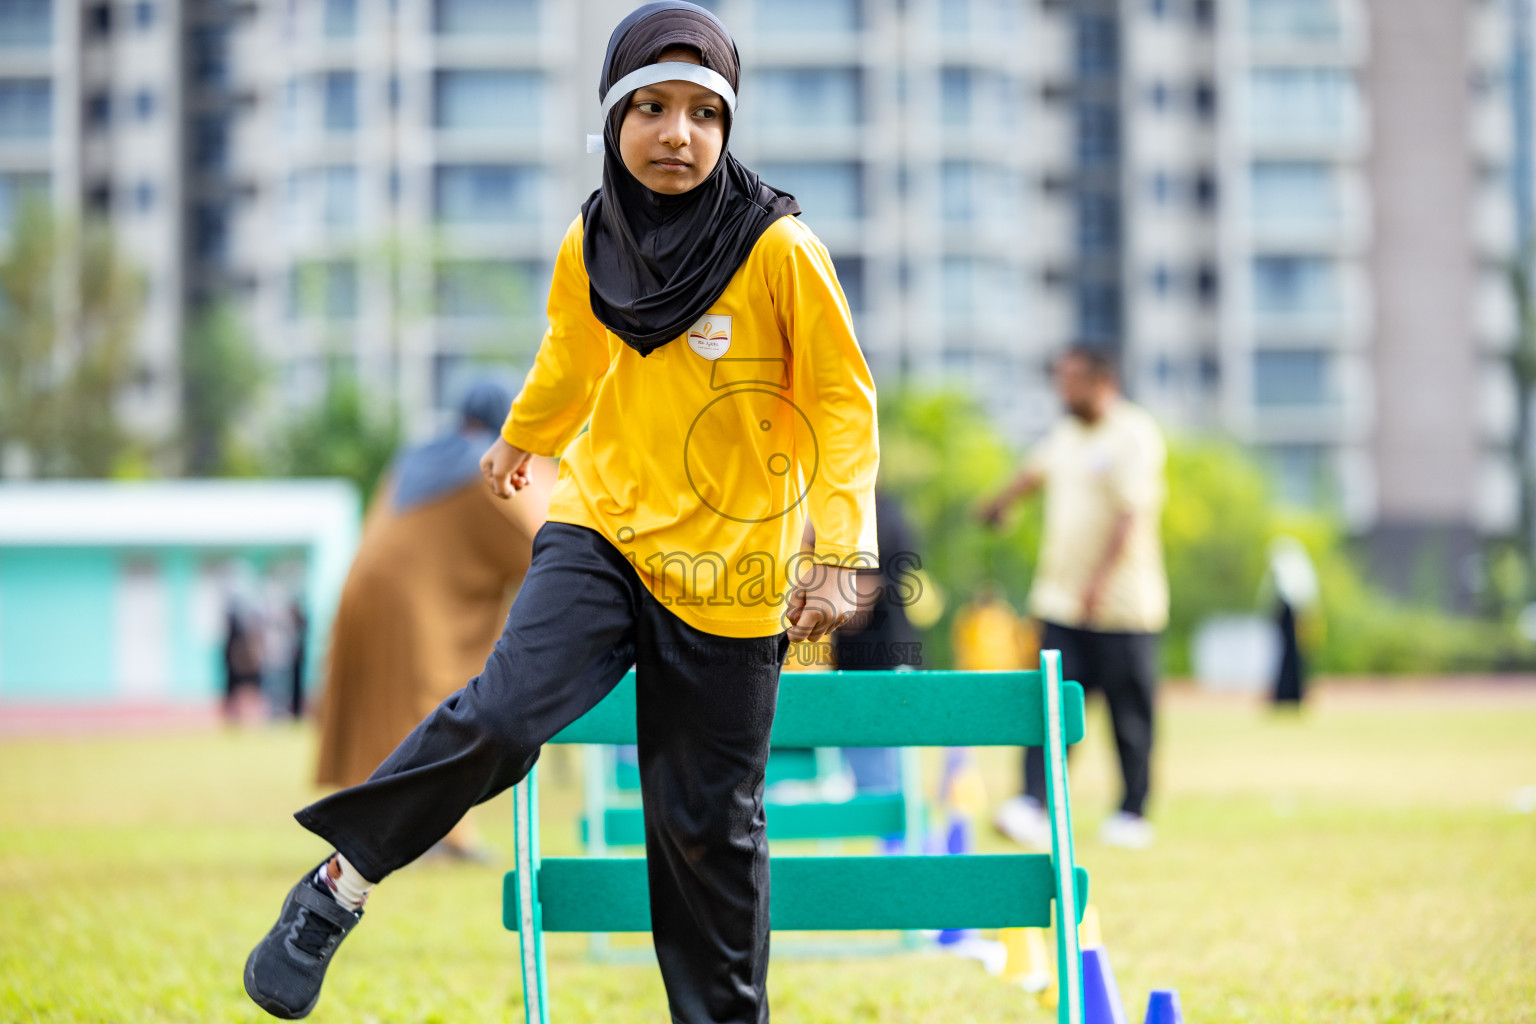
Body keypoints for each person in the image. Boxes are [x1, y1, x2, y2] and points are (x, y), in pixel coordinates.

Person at [242, 5, 878, 1021]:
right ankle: (336, 888)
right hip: (603, 533)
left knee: (708, 826)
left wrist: (842, 547)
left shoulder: (779, 248)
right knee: (496, 713)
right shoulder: (591, 237)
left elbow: (844, 404)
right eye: (653, 109)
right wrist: (525, 435)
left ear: (729, 127)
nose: (678, 134)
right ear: (614, 119)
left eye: (705, 114)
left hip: (732, 570)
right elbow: (570, 353)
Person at [312, 379, 554, 859]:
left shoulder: (419, 458)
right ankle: (429, 836)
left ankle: (405, 832)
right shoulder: (486, 467)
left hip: (365, 594)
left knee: (387, 717)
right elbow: (542, 546)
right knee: (430, 713)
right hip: (414, 608)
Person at [979, 345, 1167, 850]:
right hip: (1061, 603)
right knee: (1047, 708)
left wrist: (1099, 584)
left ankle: (1132, 811)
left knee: (1129, 714)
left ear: (1102, 381)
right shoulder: (1065, 435)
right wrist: (999, 503)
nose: (1061, 389)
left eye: (1071, 380)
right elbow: (1033, 474)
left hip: (1124, 608)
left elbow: (1132, 515)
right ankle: (1033, 804)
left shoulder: (1134, 434)